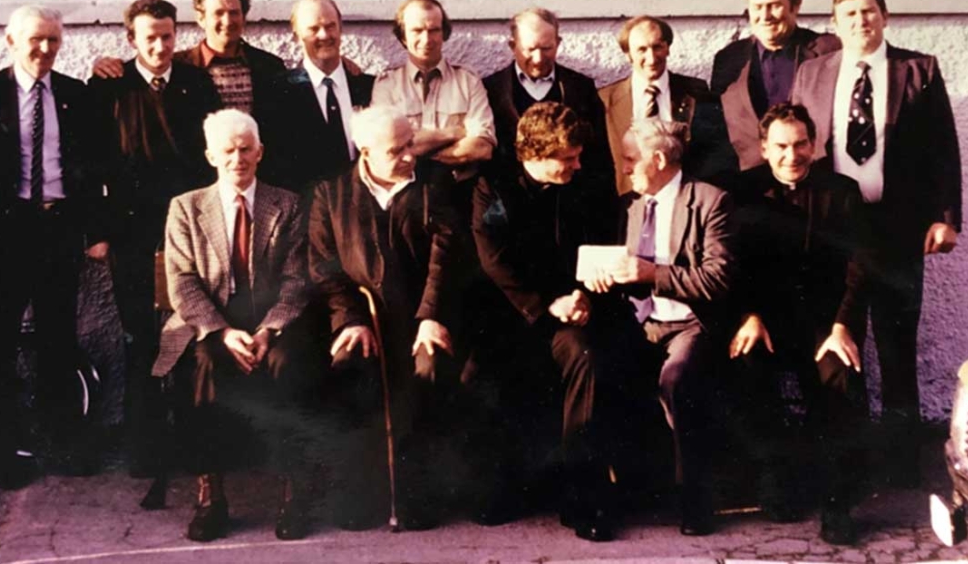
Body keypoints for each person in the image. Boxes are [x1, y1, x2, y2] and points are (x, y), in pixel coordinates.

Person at [791, 0, 962, 488]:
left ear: (884, 17)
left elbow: (942, 149)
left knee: (895, 344)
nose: (859, 22)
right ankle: (851, 460)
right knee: (841, 340)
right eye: (848, 14)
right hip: (833, 228)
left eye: (868, 12)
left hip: (896, 228)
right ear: (836, 24)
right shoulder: (813, 72)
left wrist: (946, 216)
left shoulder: (918, 70)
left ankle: (903, 466)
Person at [0, 5, 102, 487]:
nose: (44, 50)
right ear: (11, 41)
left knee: (58, 344)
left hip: (58, 233)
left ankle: (59, 445)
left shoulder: (74, 95)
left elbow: (92, 165)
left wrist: (82, 224)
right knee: (1, 348)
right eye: (35, 40)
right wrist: (5, 215)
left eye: (53, 41)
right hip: (4, 235)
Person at [151, 109, 310, 542]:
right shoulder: (185, 208)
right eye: (227, 150)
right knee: (203, 364)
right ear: (210, 156)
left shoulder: (288, 205)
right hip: (210, 326)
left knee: (289, 362)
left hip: (271, 326)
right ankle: (212, 497)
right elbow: (181, 282)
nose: (237, 158)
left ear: (260, 152)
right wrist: (222, 332)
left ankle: (294, 493)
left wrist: (268, 330)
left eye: (245, 149)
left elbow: (298, 280)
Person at [308, 105, 459, 531]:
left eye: (411, 143)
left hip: (419, 319)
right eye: (398, 149)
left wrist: (431, 315)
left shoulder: (434, 186)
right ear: (365, 151)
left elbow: (444, 258)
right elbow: (322, 267)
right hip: (364, 320)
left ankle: (417, 496)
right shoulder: (331, 194)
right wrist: (350, 318)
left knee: (430, 369)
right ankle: (361, 496)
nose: (411, 155)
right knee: (350, 369)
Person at [88, 0, 221, 477]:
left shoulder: (196, 84)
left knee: (185, 335)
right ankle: (145, 449)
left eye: (168, 36)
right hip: (131, 234)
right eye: (150, 38)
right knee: (140, 338)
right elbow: (90, 165)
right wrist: (99, 232)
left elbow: (212, 158)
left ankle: (188, 443)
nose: (161, 46)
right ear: (131, 40)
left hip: (188, 232)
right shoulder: (109, 87)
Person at [472, 101, 617, 542]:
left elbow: (604, 245)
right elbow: (494, 260)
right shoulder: (492, 188)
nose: (576, 164)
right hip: (515, 312)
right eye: (566, 158)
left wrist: (586, 296)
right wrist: (543, 305)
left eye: (577, 156)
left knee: (586, 358)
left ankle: (581, 491)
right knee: (485, 374)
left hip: (574, 309)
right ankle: (505, 487)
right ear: (534, 154)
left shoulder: (586, 185)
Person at [584, 118, 735, 536]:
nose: (626, 168)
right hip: (639, 323)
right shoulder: (627, 205)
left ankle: (694, 500)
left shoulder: (710, 201)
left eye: (631, 160)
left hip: (689, 323)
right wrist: (602, 277)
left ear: (659, 158)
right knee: (600, 373)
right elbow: (618, 265)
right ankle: (611, 500)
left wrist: (654, 274)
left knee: (677, 380)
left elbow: (717, 279)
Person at [728, 103, 869, 544]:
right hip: (766, 320)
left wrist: (843, 326)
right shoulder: (742, 193)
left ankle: (837, 505)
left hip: (825, 324)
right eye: (782, 146)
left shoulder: (843, 192)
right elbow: (731, 265)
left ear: (815, 144)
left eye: (802, 144)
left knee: (840, 379)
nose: (793, 155)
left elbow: (859, 268)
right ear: (765, 149)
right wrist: (748, 316)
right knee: (745, 366)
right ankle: (778, 479)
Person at [92, 0, 285, 127]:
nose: (227, 21)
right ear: (200, 18)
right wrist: (103, 65)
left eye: (234, 12)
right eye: (218, 13)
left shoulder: (270, 67)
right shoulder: (178, 66)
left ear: (244, 17)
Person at [371, 0, 495, 217]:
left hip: (459, 200)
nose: (427, 39)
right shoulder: (386, 85)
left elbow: (482, 148)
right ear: (403, 37)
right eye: (417, 31)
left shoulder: (468, 81)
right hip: (405, 202)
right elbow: (386, 147)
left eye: (434, 30)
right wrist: (454, 133)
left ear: (444, 33)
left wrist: (419, 155)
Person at [710, 0, 840, 171]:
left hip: (814, 177)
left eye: (774, 6)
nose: (765, 16)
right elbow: (717, 127)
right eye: (757, 7)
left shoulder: (829, 51)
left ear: (795, 6)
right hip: (751, 184)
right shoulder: (728, 60)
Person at [482, 7, 613, 194]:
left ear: (558, 43)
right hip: (510, 203)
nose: (538, 59)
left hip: (570, 205)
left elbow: (600, 157)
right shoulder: (490, 89)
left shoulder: (581, 88)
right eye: (530, 49)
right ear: (513, 46)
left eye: (546, 48)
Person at [599, 15, 733, 192]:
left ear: (668, 48)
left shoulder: (696, 92)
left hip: (682, 204)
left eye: (657, 47)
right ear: (628, 54)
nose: (652, 58)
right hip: (628, 206)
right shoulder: (605, 100)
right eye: (641, 50)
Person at [262, 0, 375, 192]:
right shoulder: (278, 93)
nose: (324, 35)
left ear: (340, 28)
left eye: (330, 26)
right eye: (313, 29)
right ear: (297, 36)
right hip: (306, 211)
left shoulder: (369, 87)